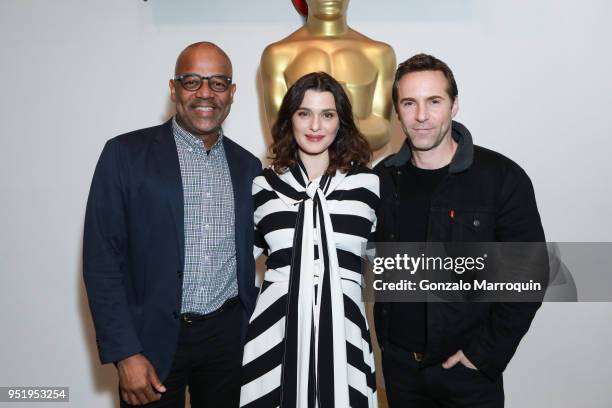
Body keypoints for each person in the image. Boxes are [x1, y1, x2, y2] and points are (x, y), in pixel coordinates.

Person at [83, 42, 262, 407]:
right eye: (192, 81)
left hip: (228, 345)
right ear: (173, 88)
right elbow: (102, 261)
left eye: (217, 82)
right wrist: (125, 353)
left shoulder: (249, 167)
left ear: (232, 92)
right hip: (150, 344)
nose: (205, 93)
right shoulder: (124, 155)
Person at [374, 54, 546, 407]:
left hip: (468, 376)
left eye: (434, 101)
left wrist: (481, 355)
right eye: (410, 103)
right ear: (397, 111)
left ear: (454, 105)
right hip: (400, 372)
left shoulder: (501, 178)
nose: (421, 115)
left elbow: (529, 275)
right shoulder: (381, 179)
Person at [240, 72, 379, 407]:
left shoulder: (369, 185)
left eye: (327, 114)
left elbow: (392, 268)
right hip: (274, 338)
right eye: (304, 113)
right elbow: (234, 264)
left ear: (340, 122)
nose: (315, 125)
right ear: (290, 119)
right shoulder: (263, 185)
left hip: (345, 335)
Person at [260, 0, 396, 152]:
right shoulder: (278, 55)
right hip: (302, 173)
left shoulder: (379, 54)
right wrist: (347, 123)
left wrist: (340, 120)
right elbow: (280, 131)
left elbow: (384, 131)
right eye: (304, 113)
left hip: (358, 172)